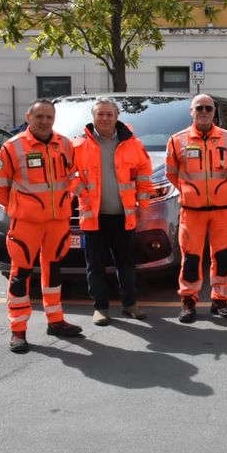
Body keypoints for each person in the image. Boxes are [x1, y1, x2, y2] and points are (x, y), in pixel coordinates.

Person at [0, 98, 83, 353]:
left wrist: (67, 200)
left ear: (54, 120)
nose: (44, 121)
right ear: (28, 117)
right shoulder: (13, 147)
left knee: (53, 271)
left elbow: (73, 178)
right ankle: (18, 330)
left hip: (57, 222)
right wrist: (20, 209)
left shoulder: (64, 144)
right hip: (26, 224)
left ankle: (55, 321)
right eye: (39, 116)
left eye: (48, 117)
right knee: (20, 275)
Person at [72, 97, 153, 326]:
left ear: (117, 116)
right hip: (93, 217)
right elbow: (67, 175)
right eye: (100, 114)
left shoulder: (133, 144)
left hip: (123, 216)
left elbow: (144, 177)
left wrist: (143, 206)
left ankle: (130, 304)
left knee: (126, 264)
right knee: (95, 266)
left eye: (109, 114)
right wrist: (83, 192)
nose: (105, 118)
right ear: (93, 117)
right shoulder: (78, 145)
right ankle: (100, 308)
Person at [166, 93, 227, 323]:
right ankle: (188, 301)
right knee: (190, 259)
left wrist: (220, 190)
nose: (204, 112)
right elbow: (172, 174)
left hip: (222, 210)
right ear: (191, 111)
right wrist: (192, 192)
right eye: (199, 108)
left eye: (208, 108)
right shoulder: (177, 140)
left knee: (222, 257)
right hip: (192, 211)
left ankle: (219, 300)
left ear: (214, 112)